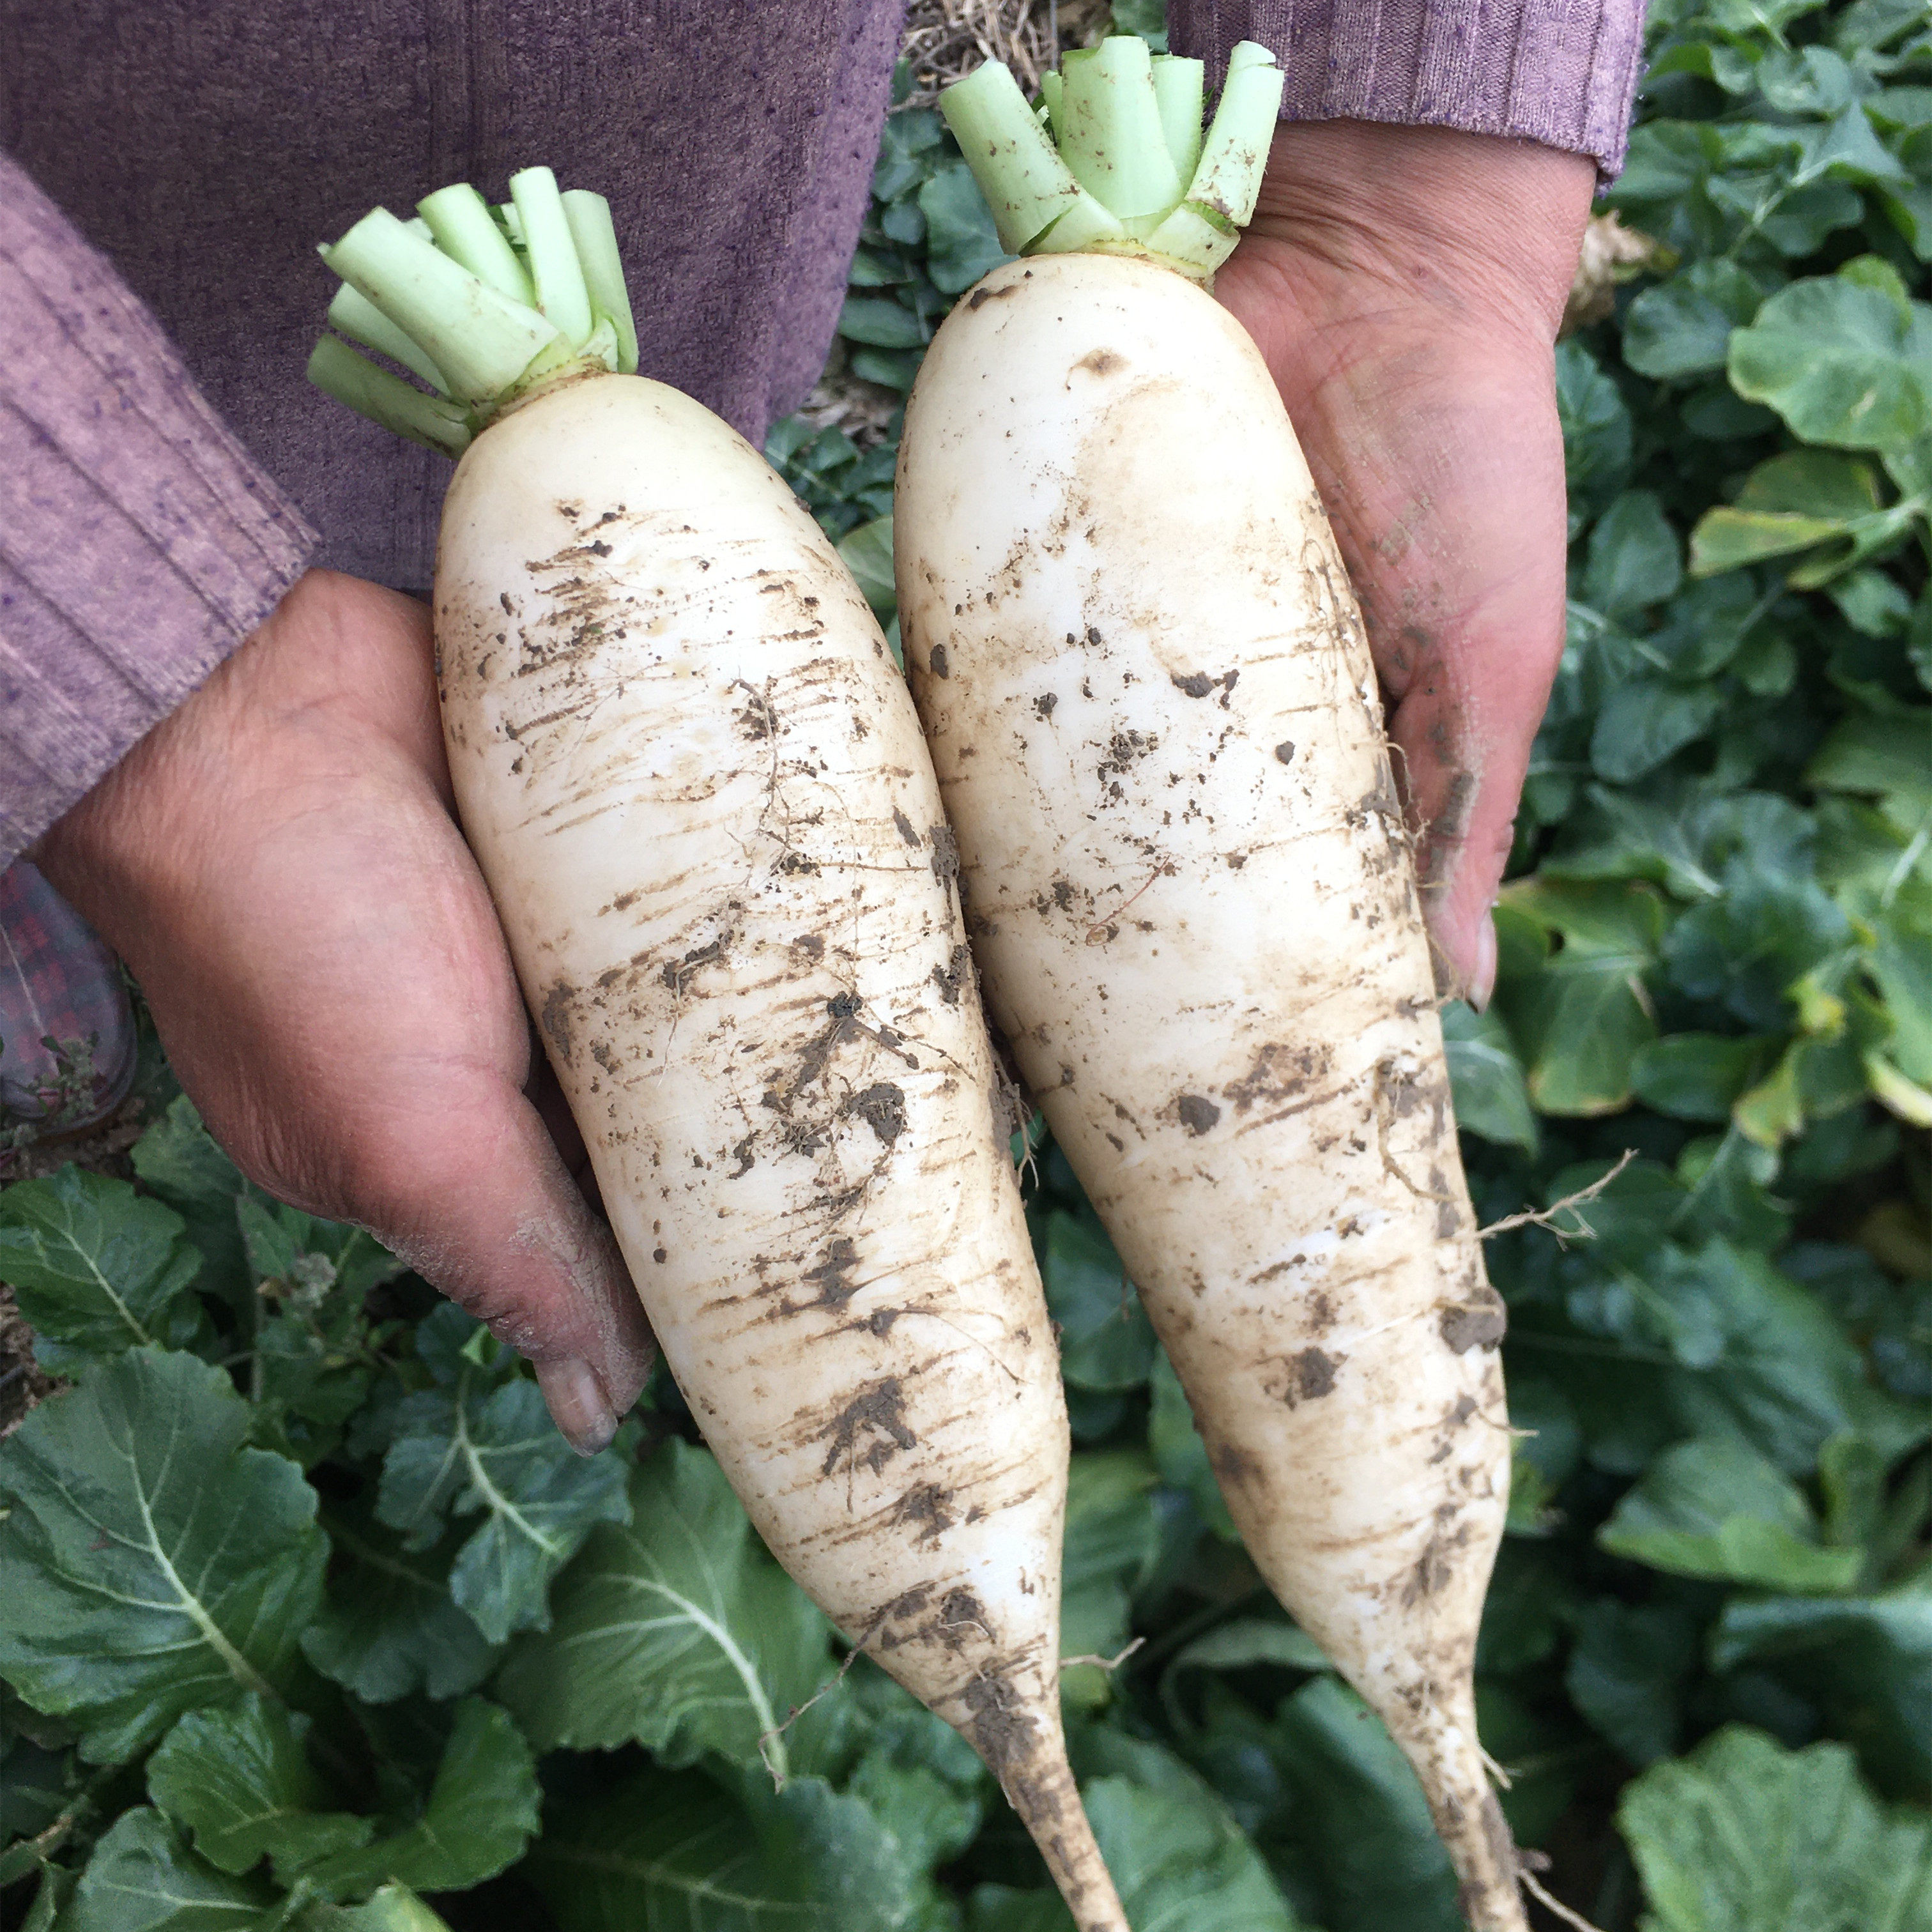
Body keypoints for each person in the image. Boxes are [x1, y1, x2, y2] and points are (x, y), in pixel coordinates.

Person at [0, 0, 1645, 1450]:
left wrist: (1416, 164)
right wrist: (145, 696)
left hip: (692, 168)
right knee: (68, 728)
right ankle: (62, 818)